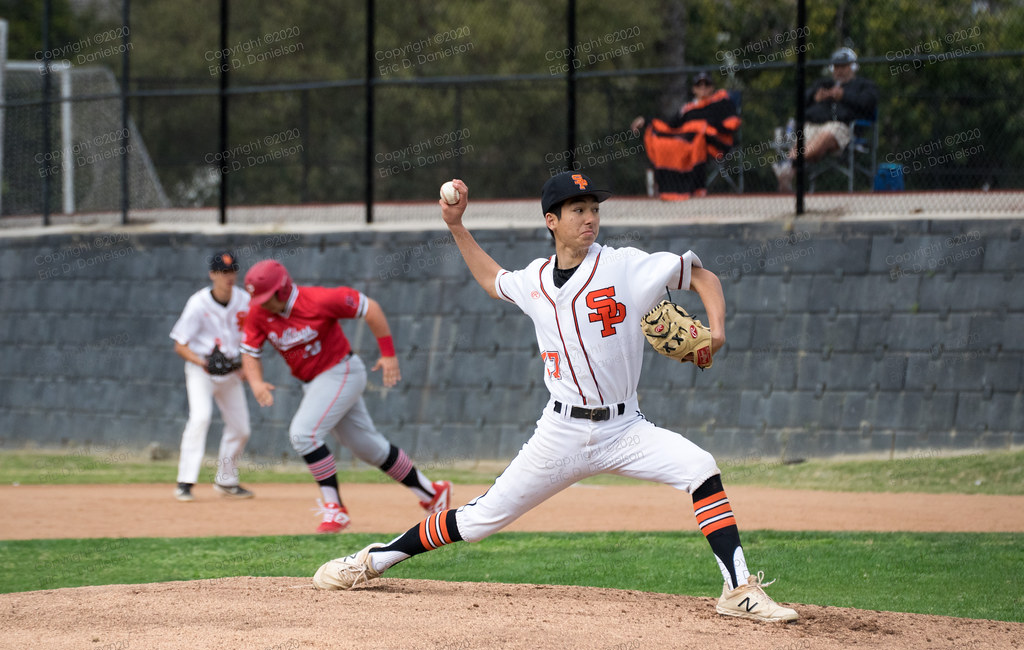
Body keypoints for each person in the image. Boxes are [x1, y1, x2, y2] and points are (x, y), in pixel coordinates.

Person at [312, 173, 798, 623]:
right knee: (481, 519)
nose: (589, 218)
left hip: (625, 428)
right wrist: (457, 226)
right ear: (552, 221)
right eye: (577, 209)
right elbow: (491, 279)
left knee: (700, 467)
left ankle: (737, 590)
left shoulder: (626, 265)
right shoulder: (536, 280)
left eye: (593, 209)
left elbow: (703, 277)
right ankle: (371, 560)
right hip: (561, 432)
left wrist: (716, 331)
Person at [240, 259, 451, 533]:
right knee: (367, 447)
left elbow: (370, 308)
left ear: (283, 289)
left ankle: (334, 509)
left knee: (304, 434)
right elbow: (249, 351)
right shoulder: (259, 313)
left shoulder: (318, 299)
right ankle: (432, 493)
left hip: (342, 372)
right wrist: (256, 382)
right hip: (314, 383)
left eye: (267, 297)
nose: (262, 304)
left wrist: (388, 354)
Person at [169, 250, 253, 502]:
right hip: (201, 371)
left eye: (232, 271)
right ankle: (185, 482)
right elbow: (180, 345)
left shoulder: (244, 300)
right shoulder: (198, 303)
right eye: (223, 272)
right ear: (212, 274)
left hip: (230, 371)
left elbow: (251, 337)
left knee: (241, 428)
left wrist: (247, 367)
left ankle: (226, 481)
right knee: (201, 418)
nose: (229, 276)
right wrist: (203, 361)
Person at [774, 47, 879, 192]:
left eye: (843, 66)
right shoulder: (823, 84)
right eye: (836, 67)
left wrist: (844, 96)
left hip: (842, 128)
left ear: (853, 67)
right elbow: (800, 102)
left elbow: (869, 103)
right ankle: (787, 175)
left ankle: (789, 163)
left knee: (827, 134)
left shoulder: (863, 85)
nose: (839, 71)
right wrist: (814, 97)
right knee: (803, 138)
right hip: (813, 125)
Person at [631, 71, 741, 200]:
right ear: (693, 89)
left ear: (712, 87)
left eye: (706, 84)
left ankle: (696, 188)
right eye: (699, 85)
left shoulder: (722, 102)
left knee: (697, 139)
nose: (703, 88)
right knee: (663, 143)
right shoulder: (688, 109)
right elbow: (670, 126)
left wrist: (706, 128)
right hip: (686, 141)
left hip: (713, 143)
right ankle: (671, 190)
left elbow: (732, 123)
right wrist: (646, 120)